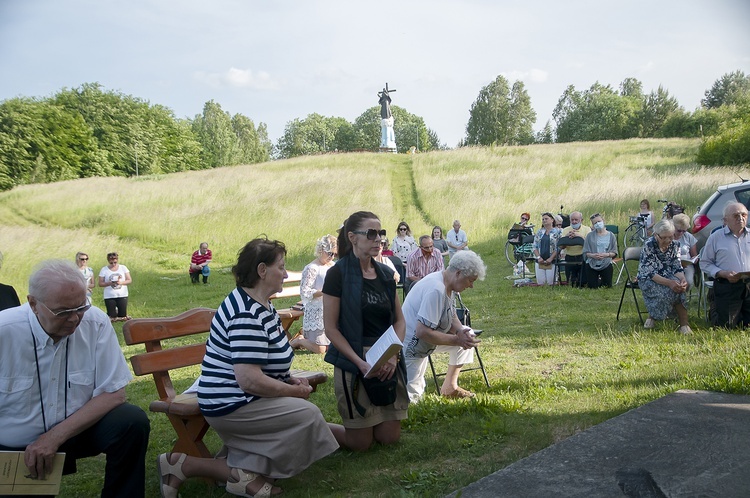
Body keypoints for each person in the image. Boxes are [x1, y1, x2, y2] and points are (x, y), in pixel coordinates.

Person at [158, 238, 344, 498]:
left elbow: (262, 362)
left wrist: (288, 380)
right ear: (262, 270)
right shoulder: (246, 313)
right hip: (230, 402)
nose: (285, 273)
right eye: (281, 266)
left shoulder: (261, 304)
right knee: (306, 416)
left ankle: (189, 467)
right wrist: (292, 393)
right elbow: (249, 380)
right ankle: (228, 474)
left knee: (301, 416)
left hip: (241, 397)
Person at [0, 260, 150, 497]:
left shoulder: (96, 322)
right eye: (63, 312)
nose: (74, 319)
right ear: (33, 304)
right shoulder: (4, 331)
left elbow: (114, 393)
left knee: (131, 421)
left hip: (76, 429)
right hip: (11, 446)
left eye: (81, 307)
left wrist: (54, 437)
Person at [323, 211, 408, 451]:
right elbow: (331, 329)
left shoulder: (385, 274)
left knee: (389, 438)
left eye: (380, 233)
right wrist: (360, 363)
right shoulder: (337, 274)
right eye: (371, 234)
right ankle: (315, 425)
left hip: (386, 355)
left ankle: (375, 419)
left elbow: (400, 321)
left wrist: (392, 355)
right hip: (354, 357)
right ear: (352, 237)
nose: (378, 239)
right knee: (360, 444)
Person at [402, 250, 485, 402]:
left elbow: (451, 314)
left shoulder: (448, 284)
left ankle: (450, 387)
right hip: (410, 347)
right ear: (459, 273)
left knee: (468, 334)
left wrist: (461, 331)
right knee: (412, 397)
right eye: (470, 280)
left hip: (425, 342)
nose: (471, 286)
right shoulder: (436, 289)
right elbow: (422, 332)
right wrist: (457, 340)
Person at [637, 220, 692, 334]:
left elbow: (677, 267)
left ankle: (684, 325)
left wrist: (682, 279)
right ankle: (653, 316)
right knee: (667, 291)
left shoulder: (675, 245)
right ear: (656, 235)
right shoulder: (649, 245)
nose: (668, 240)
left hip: (668, 275)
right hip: (648, 278)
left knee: (680, 289)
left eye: (670, 237)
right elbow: (650, 273)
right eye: (664, 237)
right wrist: (670, 283)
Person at [701, 202, 750, 328]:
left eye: (743, 214)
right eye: (736, 215)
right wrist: (723, 273)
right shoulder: (716, 237)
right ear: (725, 220)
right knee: (726, 326)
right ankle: (715, 307)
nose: (740, 218)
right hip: (728, 284)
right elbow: (705, 263)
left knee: (746, 324)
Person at [291, 235, 338, 354]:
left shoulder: (333, 266)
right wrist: (324, 292)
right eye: (329, 253)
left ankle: (307, 337)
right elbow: (305, 291)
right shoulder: (312, 268)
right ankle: (299, 340)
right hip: (316, 311)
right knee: (321, 350)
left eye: (334, 254)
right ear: (321, 250)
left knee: (331, 347)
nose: (331, 257)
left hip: (330, 309)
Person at [582, 213, 618, 289]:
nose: (598, 224)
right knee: (592, 287)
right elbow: (585, 252)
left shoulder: (611, 235)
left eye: (599, 221)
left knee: (606, 287)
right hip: (592, 262)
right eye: (595, 223)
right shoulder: (589, 236)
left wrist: (606, 255)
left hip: (606, 262)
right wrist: (593, 255)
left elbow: (614, 252)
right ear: (593, 225)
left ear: (603, 220)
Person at [559, 211, 591, 287]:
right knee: (571, 283)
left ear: (581, 220)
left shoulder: (587, 229)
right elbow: (561, 247)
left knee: (582, 282)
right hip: (569, 257)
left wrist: (579, 236)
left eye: (576, 220)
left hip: (582, 257)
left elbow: (589, 244)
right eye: (572, 220)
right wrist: (566, 238)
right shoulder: (565, 230)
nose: (574, 222)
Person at [98, 252, 132, 322]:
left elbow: (129, 280)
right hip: (110, 295)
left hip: (122, 294)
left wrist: (121, 282)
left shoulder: (123, 268)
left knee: (122, 316)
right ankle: (112, 312)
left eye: (115, 262)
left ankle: (120, 313)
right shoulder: (104, 270)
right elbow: (100, 283)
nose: (113, 264)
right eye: (111, 263)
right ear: (108, 261)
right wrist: (109, 283)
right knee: (112, 317)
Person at [672, 213, 699, 291]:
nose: (681, 233)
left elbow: (694, 255)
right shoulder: (667, 236)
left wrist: (693, 260)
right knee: (674, 281)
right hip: (670, 265)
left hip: (686, 265)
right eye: (679, 230)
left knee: (689, 281)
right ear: (673, 226)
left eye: (684, 231)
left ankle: (682, 296)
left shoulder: (688, 237)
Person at [532, 212, 560, 286]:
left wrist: (551, 258)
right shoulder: (539, 232)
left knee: (551, 283)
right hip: (540, 259)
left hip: (552, 259)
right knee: (541, 283)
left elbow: (559, 247)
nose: (544, 220)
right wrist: (538, 257)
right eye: (543, 219)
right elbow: (534, 246)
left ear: (552, 220)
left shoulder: (558, 232)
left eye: (546, 219)